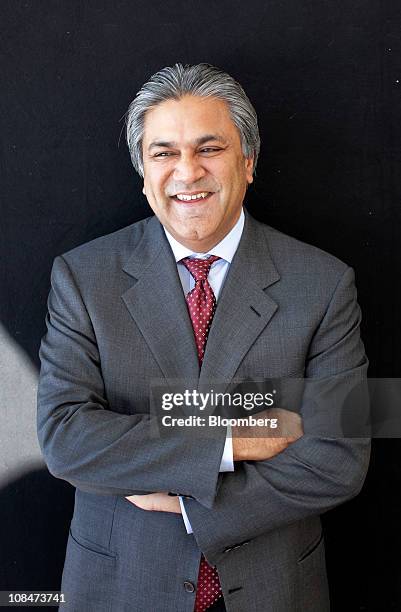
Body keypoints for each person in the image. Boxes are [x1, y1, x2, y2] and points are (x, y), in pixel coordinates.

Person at [37, 63, 370, 612]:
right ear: (143, 173)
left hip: (274, 589)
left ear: (249, 162)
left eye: (209, 148)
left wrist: (191, 503)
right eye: (164, 153)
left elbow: (341, 456)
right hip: (122, 588)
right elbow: (66, 438)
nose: (187, 173)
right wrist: (230, 442)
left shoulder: (327, 283)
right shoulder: (80, 276)